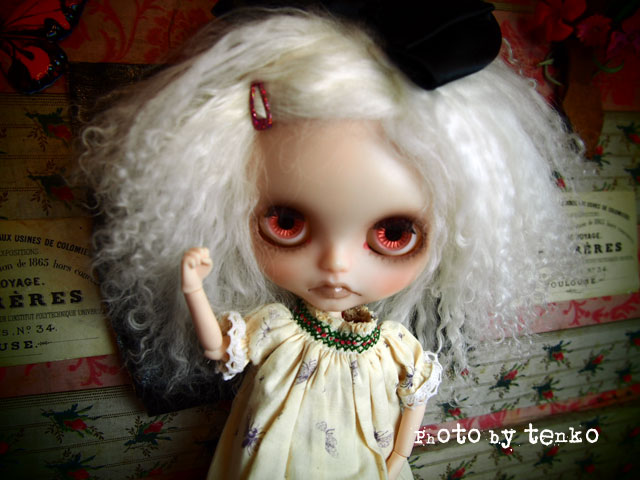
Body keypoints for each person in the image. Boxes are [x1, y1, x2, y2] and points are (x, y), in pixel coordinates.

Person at [76, 3, 581, 478]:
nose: (336, 265)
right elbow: (218, 348)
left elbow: (415, 399)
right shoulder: (275, 328)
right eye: (287, 224)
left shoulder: (396, 348)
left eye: (393, 234)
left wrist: (398, 456)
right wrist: (193, 289)